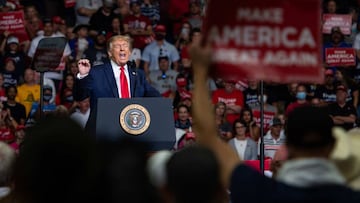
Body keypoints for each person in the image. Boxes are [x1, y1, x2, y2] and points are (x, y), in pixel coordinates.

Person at [190, 42, 360, 203]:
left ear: (288, 146)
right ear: (332, 146)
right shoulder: (353, 198)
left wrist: (199, 70)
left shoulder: (259, 190)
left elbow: (207, 136)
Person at [74, 35, 160, 136]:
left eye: (125, 46)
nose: (122, 48)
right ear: (110, 53)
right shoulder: (97, 72)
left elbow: (153, 94)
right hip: (103, 132)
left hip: (131, 131)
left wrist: (165, 104)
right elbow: (80, 96)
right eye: (118, 46)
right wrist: (83, 76)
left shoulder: (138, 74)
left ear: (130, 52)